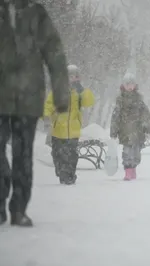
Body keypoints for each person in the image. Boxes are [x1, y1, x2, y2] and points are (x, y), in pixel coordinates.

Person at [0, 0, 70, 226]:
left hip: (28, 98)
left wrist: (61, 93)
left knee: (23, 156)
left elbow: (54, 52)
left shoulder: (36, 12)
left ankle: (19, 208)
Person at [43, 65, 95, 185]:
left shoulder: (79, 92)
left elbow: (89, 102)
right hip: (58, 129)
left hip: (73, 130)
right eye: (69, 76)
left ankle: (69, 175)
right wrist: (46, 117)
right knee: (58, 154)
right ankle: (61, 171)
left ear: (78, 78)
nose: (72, 79)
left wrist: (82, 90)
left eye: (75, 76)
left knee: (71, 155)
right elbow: (48, 105)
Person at [110, 73, 150, 180]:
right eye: (127, 84)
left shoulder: (139, 100)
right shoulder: (120, 100)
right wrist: (114, 131)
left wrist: (148, 129)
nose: (129, 86)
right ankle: (128, 171)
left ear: (135, 85)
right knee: (127, 152)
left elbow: (145, 115)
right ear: (123, 85)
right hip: (125, 131)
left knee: (136, 153)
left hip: (138, 132)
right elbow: (115, 117)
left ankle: (133, 168)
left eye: (131, 84)